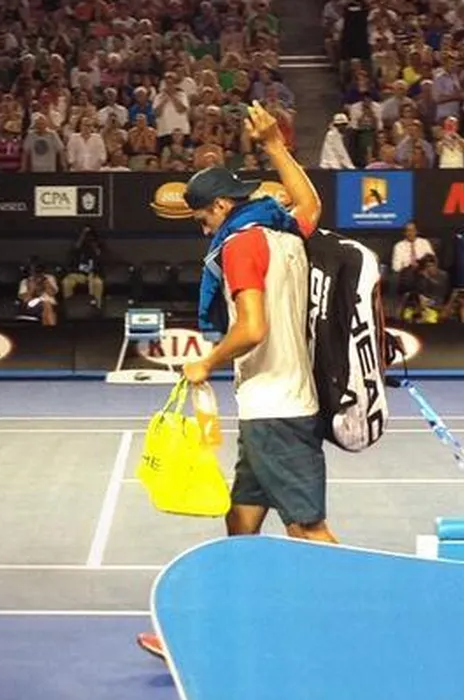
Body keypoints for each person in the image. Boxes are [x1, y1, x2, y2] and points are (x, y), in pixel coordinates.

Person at [136, 102, 329, 659]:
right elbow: (310, 202)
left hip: (276, 410)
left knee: (309, 532)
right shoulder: (284, 231)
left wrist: (206, 362)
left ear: (222, 206)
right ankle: (215, 630)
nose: (204, 229)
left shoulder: (241, 244)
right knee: (242, 520)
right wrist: (272, 144)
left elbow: (251, 327)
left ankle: (350, 630)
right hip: (273, 405)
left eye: (203, 219)